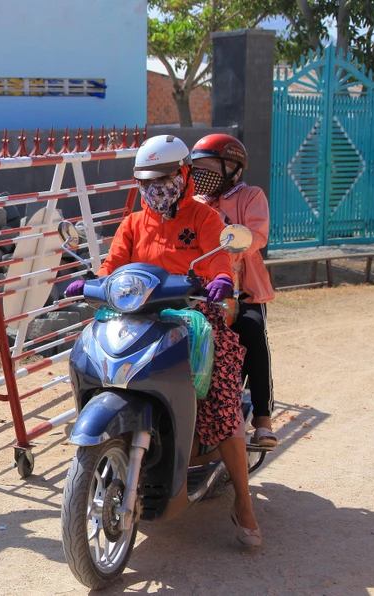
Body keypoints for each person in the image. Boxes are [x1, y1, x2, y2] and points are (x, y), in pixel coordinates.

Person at [66, 134, 262, 547]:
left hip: (195, 315)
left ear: (184, 175)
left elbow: (219, 257)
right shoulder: (133, 223)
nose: (155, 187)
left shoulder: (204, 218)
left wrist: (221, 278)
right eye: (146, 180)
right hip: (137, 314)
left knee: (222, 400)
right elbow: (112, 266)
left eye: (164, 177)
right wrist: (90, 283)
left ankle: (243, 502)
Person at [191, 134, 277, 449]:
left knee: (253, 331)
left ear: (234, 169)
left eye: (212, 166)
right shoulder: (194, 202)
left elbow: (256, 235)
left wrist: (225, 248)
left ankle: (263, 418)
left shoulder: (250, 196)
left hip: (244, 293)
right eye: (199, 167)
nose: (204, 173)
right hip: (203, 291)